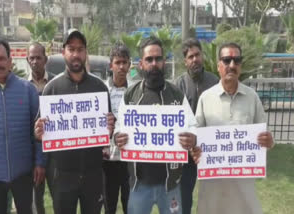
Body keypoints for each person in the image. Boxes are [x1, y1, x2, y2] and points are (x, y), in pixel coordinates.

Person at [114, 37, 201, 214]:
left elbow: (193, 126)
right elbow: (119, 127)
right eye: (149, 59)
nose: (154, 64)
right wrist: (117, 137)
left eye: (158, 59)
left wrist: (192, 137)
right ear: (141, 64)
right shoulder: (131, 95)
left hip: (170, 185)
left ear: (164, 61)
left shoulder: (176, 94)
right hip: (139, 184)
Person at [33, 29, 115, 214]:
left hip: (92, 173)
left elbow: (107, 130)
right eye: (71, 49)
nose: (76, 54)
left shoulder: (100, 87)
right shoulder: (51, 89)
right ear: (64, 53)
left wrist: (110, 127)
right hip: (62, 175)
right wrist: (38, 133)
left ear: (85, 53)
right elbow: (39, 131)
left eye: (80, 49)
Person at [195, 42, 274, 214]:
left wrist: (268, 141)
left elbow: (264, 136)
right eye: (227, 60)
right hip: (212, 185)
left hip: (243, 184)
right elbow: (196, 138)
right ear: (218, 66)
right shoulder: (205, 98)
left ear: (241, 65)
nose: (232, 65)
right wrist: (195, 150)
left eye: (236, 60)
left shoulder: (252, 97)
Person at [0, 38, 45, 214]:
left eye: (2, 58)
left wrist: (40, 162)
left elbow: (39, 132)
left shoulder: (28, 90)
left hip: (23, 170)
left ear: (10, 60)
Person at [174, 38, 218, 214]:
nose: (195, 59)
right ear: (185, 61)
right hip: (187, 154)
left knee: (214, 196)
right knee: (184, 197)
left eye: (197, 55)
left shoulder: (215, 82)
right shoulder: (179, 85)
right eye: (190, 57)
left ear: (203, 56)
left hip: (212, 150)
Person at [26, 42, 55, 214]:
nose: (35, 61)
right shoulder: (22, 87)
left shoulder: (57, 83)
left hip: (56, 155)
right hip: (32, 154)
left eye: (39, 57)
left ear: (46, 59)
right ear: (27, 60)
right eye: (32, 58)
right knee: (36, 203)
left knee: (60, 197)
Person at [102, 43, 131, 214]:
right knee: (109, 207)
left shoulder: (136, 90)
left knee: (130, 206)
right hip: (107, 161)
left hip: (130, 160)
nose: (121, 66)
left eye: (124, 62)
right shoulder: (101, 90)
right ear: (111, 65)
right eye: (117, 62)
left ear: (129, 65)